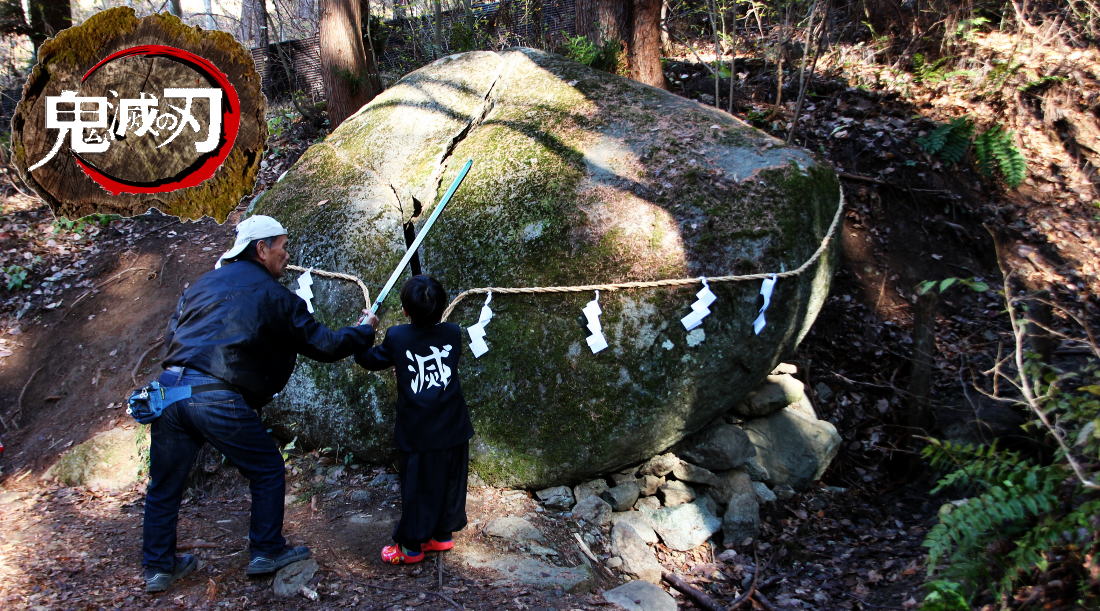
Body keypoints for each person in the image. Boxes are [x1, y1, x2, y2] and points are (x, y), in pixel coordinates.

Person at [142, 214, 380, 593]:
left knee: (164, 485)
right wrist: (363, 332)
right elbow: (324, 344)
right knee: (268, 469)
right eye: (282, 247)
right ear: (261, 248)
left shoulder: (201, 285)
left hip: (168, 392)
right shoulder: (276, 296)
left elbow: (174, 336)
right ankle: (266, 551)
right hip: (216, 398)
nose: (286, 255)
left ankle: (158, 567)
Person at [354, 275, 474, 565]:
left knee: (418, 487)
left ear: (405, 311)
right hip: (453, 425)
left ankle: (410, 547)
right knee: (450, 481)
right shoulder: (453, 333)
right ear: (444, 306)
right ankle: (442, 536)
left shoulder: (397, 336)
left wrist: (363, 332)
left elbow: (369, 359)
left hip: (419, 430)